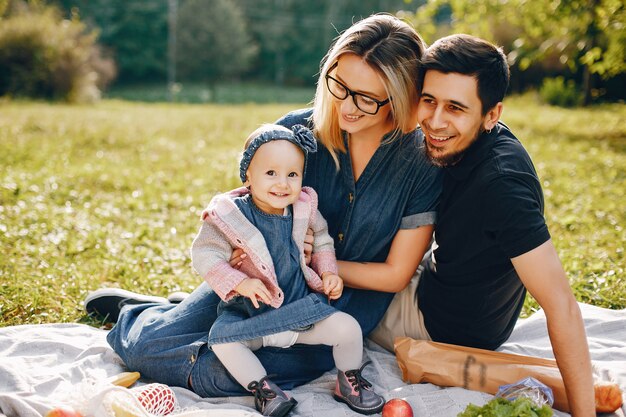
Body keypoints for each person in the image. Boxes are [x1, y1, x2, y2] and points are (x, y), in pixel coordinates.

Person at [85, 12, 442, 402]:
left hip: (334, 306)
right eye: (339, 85)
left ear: (400, 97)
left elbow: (394, 275)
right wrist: (248, 251)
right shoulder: (293, 133)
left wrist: (314, 265)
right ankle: (145, 317)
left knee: (219, 376)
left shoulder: (420, 163)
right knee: (142, 349)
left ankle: (171, 314)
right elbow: (245, 208)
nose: (347, 106)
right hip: (258, 287)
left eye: (367, 99)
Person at [368, 34, 595, 416]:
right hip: (445, 284)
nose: (435, 122)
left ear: (492, 114)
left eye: (455, 108)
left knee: (333, 285)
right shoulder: (467, 143)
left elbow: (561, 305)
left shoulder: (501, 185)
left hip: (441, 325)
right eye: (429, 101)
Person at [193, 123, 384, 416]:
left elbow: (322, 240)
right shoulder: (231, 216)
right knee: (223, 340)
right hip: (251, 315)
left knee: (348, 328)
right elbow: (205, 255)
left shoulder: (303, 208)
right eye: (271, 173)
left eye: (292, 174)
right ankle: (264, 390)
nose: (283, 183)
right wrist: (240, 283)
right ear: (247, 176)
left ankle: (348, 379)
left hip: (299, 312)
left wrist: (328, 272)